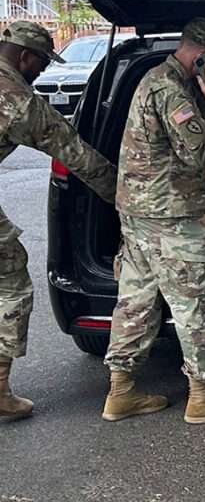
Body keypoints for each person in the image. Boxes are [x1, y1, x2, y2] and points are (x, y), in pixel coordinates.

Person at [102, 18, 205, 424]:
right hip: (168, 217)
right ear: (203, 56)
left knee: (136, 300)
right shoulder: (171, 90)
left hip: (139, 212)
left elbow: (195, 125)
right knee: (199, 302)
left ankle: (120, 392)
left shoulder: (164, 81)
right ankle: (203, 398)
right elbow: (202, 152)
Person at [0, 22, 117, 419]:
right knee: (11, 285)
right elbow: (79, 157)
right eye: (42, 63)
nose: (42, 71)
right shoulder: (20, 102)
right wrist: (127, 199)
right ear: (24, 56)